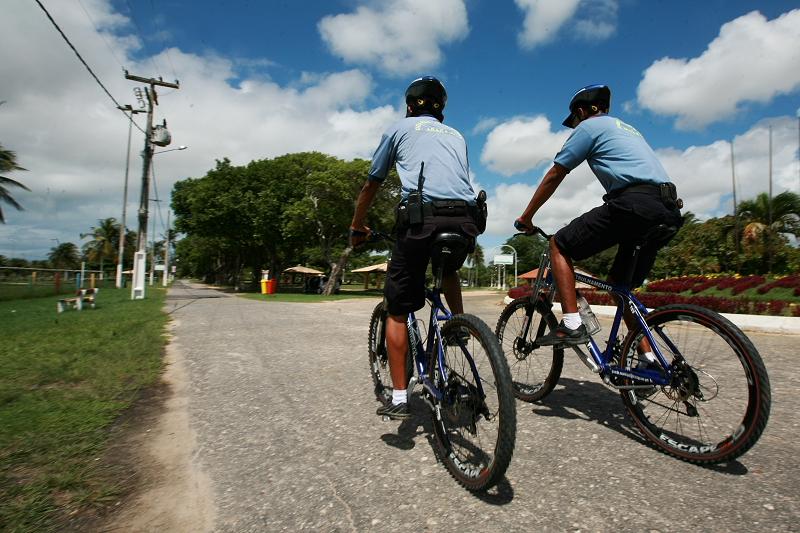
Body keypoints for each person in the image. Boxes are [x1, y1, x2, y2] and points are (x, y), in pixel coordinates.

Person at [350, 76, 484, 420]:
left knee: (397, 309)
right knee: (448, 268)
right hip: (465, 220)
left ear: (410, 106)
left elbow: (372, 183)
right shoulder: (456, 135)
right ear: (441, 109)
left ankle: (399, 397)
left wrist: (357, 226)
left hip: (422, 221)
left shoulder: (399, 128)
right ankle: (457, 325)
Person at [515, 84, 682, 348]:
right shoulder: (628, 129)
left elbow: (556, 173)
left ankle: (572, 324)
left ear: (581, 112)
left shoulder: (589, 127)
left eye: (575, 120)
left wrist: (527, 216)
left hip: (634, 205)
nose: (575, 126)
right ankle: (647, 356)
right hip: (667, 209)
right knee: (618, 286)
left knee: (559, 244)